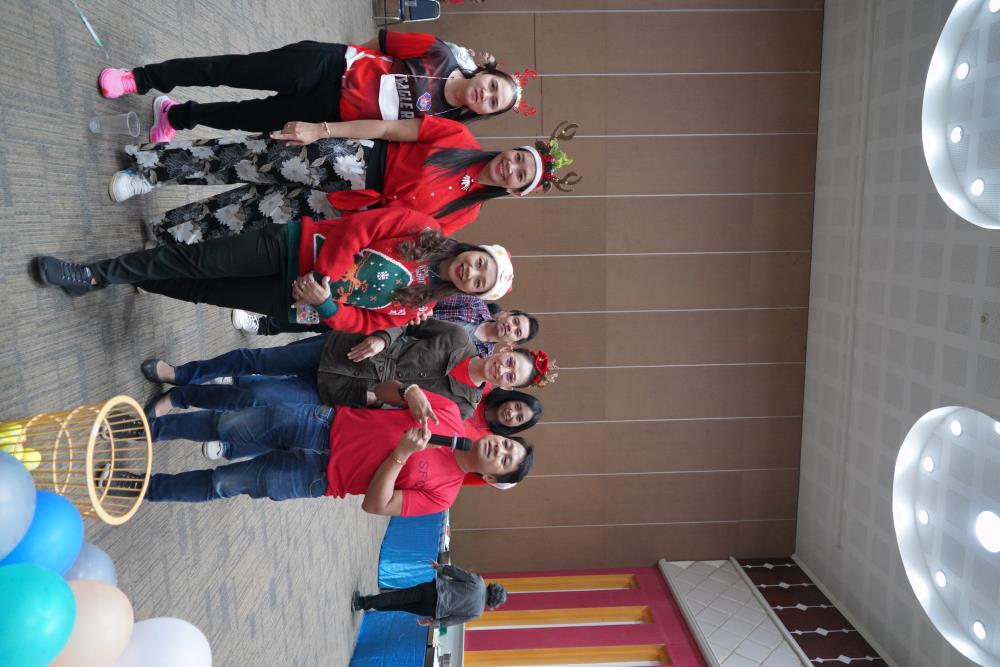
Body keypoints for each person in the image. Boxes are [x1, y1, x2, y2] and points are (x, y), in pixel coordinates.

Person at [34, 207, 514, 334]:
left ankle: (131, 275)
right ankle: (93, 276)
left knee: (200, 291)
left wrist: (326, 306)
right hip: (290, 249)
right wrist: (325, 278)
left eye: (480, 283)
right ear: (476, 250)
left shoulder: (418, 304)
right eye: (481, 264)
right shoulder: (424, 229)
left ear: (471, 293)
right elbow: (359, 230)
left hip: (295, 301)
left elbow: (363, 322)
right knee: (194, 262)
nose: (472, 272)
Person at [109, 117, 576, 245]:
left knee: (247, 215)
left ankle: (167, 234)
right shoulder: (459, 138)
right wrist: (322, 131)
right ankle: (148, 171)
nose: (512, 167)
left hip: (347, 208)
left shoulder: (465, 215)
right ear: (513, 149)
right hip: (347, 160)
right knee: (244, 158)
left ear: (516, 191)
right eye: (519, 158)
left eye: (521, 176)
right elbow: (389, 129)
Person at [98, 392, 533, 511]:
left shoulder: (445, 494)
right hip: (321, 423)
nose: (500, 448)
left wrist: (399, 456)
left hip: (317, 477)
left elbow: (375, 505)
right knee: (226, 424)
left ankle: (137, 487)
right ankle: (140, 429)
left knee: (224, 481)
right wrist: (411, 390)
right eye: (506, 443)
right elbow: (382, 391)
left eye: (504, 460)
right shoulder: (449, 413)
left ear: (490, 478)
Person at [96, 30, 526, 141]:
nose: (486, 95)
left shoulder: (446, 121)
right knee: (230, 70)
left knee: (245, 119)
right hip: (325, 66)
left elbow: (387, 130)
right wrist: (345, 62)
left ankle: (176, 116)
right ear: (484, 74)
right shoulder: (439, 52)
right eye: (493, 87)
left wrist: (325, 128)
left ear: (484, 112)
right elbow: (380, 44)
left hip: (328, 113)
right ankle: (139, 78)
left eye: (493, 103)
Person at [138, 318, 557, 422]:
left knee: (255, 395)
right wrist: (383, 337)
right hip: (345, 351)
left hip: (350, 394)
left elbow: (403, 418)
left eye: (512, 377)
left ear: (507, 386)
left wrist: (376, 404)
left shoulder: (463, 407)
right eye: (510, 362)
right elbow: (408, 321)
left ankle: (182, 398)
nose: (504, 370)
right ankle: (183, 373)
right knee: (257, 361)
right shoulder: (458, 337)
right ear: (506, 349)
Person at [232, 294, 540, 359]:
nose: (511, 329)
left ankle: (259, 366)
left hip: (393, 353)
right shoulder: (475, 306)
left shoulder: (481, 356)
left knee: (321, 350)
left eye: (517, 333)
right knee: (322, 319)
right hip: (392, 320)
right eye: (515, 322)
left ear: (511, 344)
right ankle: (265, 325)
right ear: (508, 314)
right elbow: (434, 299)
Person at [352, 562, 506, 628]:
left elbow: (457, 573)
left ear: (494, 587)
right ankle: (372, 604)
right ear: (494, 603)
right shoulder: (477, 612)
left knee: (399, 596)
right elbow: (453, 620)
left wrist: (440, 568)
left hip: (433, 590)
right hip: (432, 609)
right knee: (401, 606)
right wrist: (434, 623)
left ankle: (363, 602)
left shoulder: (479, 582)